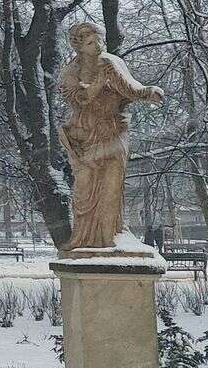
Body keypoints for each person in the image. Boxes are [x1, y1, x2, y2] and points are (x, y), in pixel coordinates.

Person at [57, 20, 165, 253]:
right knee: (84, 189)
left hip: (113, 130)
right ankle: (84, 237)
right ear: (78, 46)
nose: (97, 46)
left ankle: (110, 234)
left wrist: (148, 93)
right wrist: (98, 81)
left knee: (112, 185)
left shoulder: (112, 62)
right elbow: (79, 99)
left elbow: (129, 88)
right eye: (89, 42)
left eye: (99, 40)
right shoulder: (71, 71)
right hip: (84, 134)